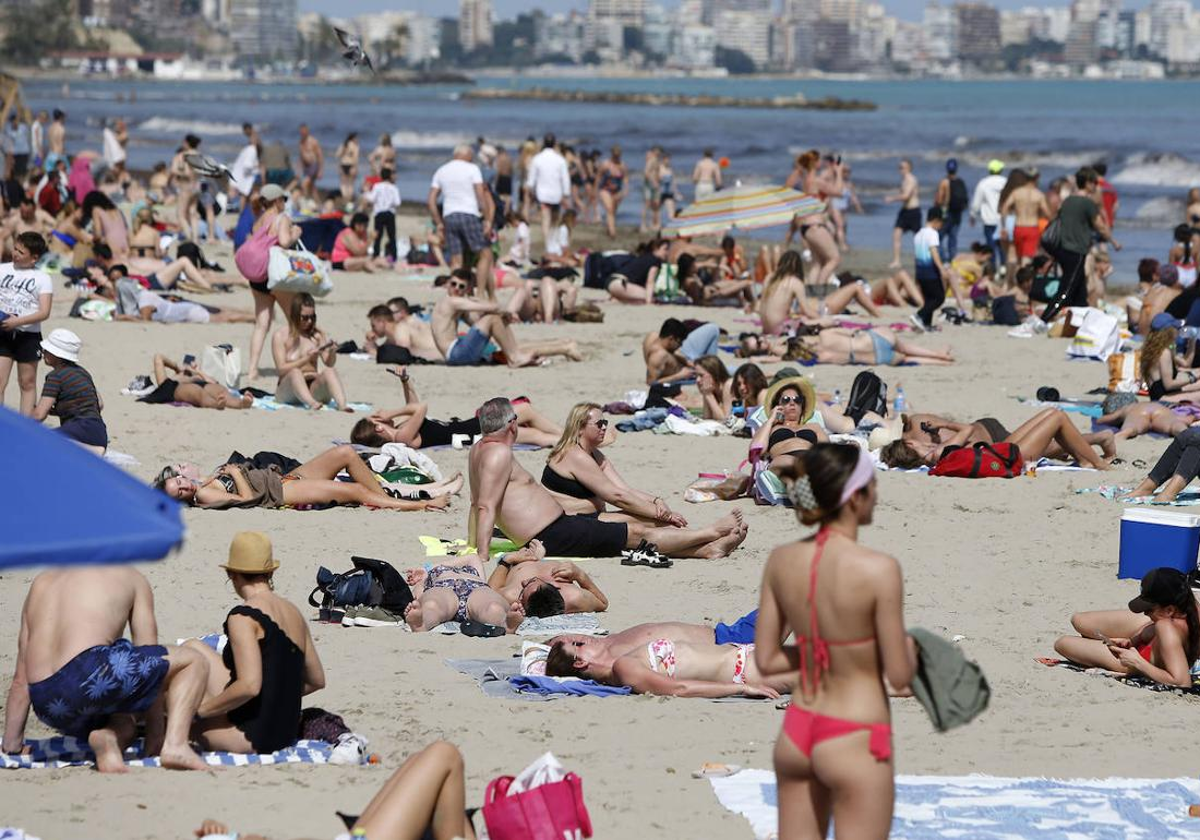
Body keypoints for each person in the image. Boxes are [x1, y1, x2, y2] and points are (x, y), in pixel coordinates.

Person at [754, 442, 916, 839]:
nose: (876, 494)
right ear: (855, 496)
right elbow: (899, 676)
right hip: (854, 733)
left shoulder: (781, 559)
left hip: (798, 732)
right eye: (872, 486)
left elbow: (768, 661)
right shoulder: (879, 569)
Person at [468, 397, 747, 561]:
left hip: (560, 526)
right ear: (512, 424)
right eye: (599, 423)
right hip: (551, 532)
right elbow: (485, 506)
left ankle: (708, 549)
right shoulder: (502, 454)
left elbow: (476, 502)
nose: (604, 427)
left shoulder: (480, 450)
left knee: (642, 526)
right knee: (637, 533)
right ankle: (710, 534)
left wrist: (658, 504)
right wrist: (480, 555)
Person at [2, 566, 210, 772]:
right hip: (89, 673)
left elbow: (21, 679)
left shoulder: (42, 581)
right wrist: (155, 735)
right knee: (193, 661)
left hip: (47, 700)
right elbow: (150, 658)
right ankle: (176, 746)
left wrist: (12, 744)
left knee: (123, 718)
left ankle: (109, 739)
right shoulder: (131, 576)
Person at [183, 533, 325, 753]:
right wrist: (278, 697)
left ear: (231, 574)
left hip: (254, 737)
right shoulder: (293, 611)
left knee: (177, 726)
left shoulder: (243, 617)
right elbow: (316, 680)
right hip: (284, 731)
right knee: (193, 648)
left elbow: (249, 686)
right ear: (270, 572)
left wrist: (199, 712)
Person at [154, 444, 454, 511]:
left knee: (346, 453)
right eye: (178, 490)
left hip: (285, 478)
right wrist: (234, 473)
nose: (183, 485)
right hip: (282, 494)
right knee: (353, 492)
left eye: (178, 480)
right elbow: (247, 500)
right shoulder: (204, 496)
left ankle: (389, 497)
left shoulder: (203, 482)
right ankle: (419, 505)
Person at [545, 618, 788, 698]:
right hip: (745, 667)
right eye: (577, 644)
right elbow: (679, 688)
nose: (583, 639)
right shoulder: (623, 667)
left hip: (743, 653)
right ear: (579, 662)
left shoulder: (618, 654)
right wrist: (740, 688)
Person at [543, 403, 692, 527]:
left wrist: (656, 501)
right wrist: (662, 515)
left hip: (590, 519)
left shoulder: (594, 454)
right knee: (656, 523)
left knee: (655, 522)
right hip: (570, 523)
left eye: (605, 423)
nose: (604, 428)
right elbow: (617, 497)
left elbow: (623, 489)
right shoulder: (575, 455)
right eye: (599, 424)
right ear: (580, 427)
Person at [351, 365, 563, 449]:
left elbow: (413, 406)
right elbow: (421, 407)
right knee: (524, 410)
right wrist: (392, 412)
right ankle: (568, 437)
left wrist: (405, 381)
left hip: (472, 430)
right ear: (378, 427)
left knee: (533, 433)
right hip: (476, 431)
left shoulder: (403, 432)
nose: (379, 414)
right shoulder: (402, 438)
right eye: (375, 417)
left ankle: (566, 440)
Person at [1054, 567, 1198, 689]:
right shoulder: (1190, 605)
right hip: (1148, 637)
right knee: (1079, 620)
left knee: (1063, 643)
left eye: (1149, 609)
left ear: (1169, 610)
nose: (1145, 613)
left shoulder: (1167, 628)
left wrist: (1137, 662)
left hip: (1138, 659)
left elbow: (1182, 682)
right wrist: (1133, 640)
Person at [431, 269, 581, 367]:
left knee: (509, 341)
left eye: (461, 286)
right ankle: (515, 358)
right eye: (453, 284)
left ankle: (564, 347)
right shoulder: (451, 301)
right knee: (493, 320)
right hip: (456, 354)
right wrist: (507, 313)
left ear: (468, 289)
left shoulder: (458, 303)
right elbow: (493, 308)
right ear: (447, 284)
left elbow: (476, 323)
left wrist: (501, 320)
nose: (456, 288)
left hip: (458, 351)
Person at [880, 407, 1111, 471]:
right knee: (1057, 417)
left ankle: (1087, 460)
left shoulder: (934, 456)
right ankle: (1098, 464)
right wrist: (944, 425)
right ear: (909, 444)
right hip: (1010, 457)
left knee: (1053, 414)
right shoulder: (937, 454)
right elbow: (967, 430)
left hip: (1001, 451)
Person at [236, 183, 302, 379]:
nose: (285, 203)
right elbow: (283, 241)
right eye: (284, 199)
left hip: (256, 277)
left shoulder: (259, 219)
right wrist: (295, 233)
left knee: (261, 324)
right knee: (294, 321)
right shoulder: (282, 218)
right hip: (273, 275)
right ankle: (292, 359)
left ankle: (252, 369)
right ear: (277, 200)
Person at [1040, 167, 1120, 324]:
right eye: (1094, 183)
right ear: (1088, 183)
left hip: (1062, 247)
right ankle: (1045, 318)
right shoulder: (1087, 203)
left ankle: (1082, 320)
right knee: (1067, 289)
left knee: (1079, 289)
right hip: (1075, 250)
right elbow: (1100, 226)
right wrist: (1113, 241)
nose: (1096, 186)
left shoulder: (1068, 200)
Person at [760, 251, 879, 335]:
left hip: (766, 328)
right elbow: (807, 311)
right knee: (856, 288)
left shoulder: (769, 278)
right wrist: (824, 319)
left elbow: (762, 303)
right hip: (784, 327)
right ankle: (879, 315)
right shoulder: (794, 282)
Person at [428, 145, 494, 293]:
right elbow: (480, 196)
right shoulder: (472, 168)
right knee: (485, 254)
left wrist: (438, 222)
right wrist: (487, 219)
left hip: (449, 215)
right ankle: (481, 293)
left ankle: (454, 294)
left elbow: (431, 200)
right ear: (467, 155)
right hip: (469, 214)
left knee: (456, 260)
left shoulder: (442, 170)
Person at [0, 231, 52, 415]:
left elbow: (44, 312)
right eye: (15, 249)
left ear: (34, 258)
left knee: (27, 382)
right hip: (2, 333)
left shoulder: (43, 278)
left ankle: (26, 428)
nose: (15, 254)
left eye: (21, 252)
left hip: (28, 335)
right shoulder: (3, 269)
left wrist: (17, 322)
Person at [31, 328, 107, 454]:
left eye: (47, 350)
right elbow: (99, 404)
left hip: (80, 430)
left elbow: (39, 415)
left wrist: (23, 427)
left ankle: (88, 450)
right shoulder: (83, 372)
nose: (43, 352)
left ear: (56, 354)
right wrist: (59, 409)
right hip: (99, 432)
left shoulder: (55, 376)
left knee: (41, 440)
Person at [401, 555, 524, 633]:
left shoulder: (433, 569)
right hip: (443, 587)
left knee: (493, 607)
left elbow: (473, 557)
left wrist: (427, 568)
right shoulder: (426, 580)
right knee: (432, 605)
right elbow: (418, 596)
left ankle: (506, 624)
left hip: (476, 587)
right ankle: (422, 623)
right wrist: (418, 593)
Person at [487, 540, 609, 618]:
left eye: (524, 588)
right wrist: (580, 575)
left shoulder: (513, 595)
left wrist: (507, 560)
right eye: (531, 581)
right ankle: (539, 556)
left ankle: (533, 555)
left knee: (523, 548)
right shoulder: (574, 597)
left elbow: (488, 592)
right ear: (555, 586)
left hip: (516, 563)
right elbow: (603, 603)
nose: (524, 582)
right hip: (544, 563)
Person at [272, 292, 350, 411]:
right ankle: (312, 403)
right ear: (295, 315)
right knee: (295, 372)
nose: (309, 321)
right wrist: (306, 359)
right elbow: (281, 369)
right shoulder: (280, 336)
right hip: (288, 389)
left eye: (312, 317)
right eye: (305, 317)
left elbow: (328, 363)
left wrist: (332, 352)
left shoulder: (317, 336)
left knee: (329, 371)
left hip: (312, 385)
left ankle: (342, 405)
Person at [748, 376, 827, 479]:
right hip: (783, 460)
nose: (792, 403)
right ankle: (801, 485)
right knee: (790, 464)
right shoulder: (770, 428)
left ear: (802, 406)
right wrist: (771, 420)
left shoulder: (814, 427)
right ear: (778, 405)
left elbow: (827, 450)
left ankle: (801, 486)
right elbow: (757, 450)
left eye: (797, 400)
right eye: (786, 400)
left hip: (809, 459)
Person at [786, 326, 955, 367]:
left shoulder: (822, 359)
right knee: (904, 346)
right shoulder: (824, 334)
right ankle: (938, 354)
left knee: (907, 358)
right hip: (873, 340)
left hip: (877, 359)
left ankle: (940, 362)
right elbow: (851, 331)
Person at [138, 353, 255, 409]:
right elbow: (158, 357)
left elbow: (213, 382)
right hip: (177, 388)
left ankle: (241, 403)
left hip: (203, 383)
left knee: (221, 390)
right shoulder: (168, 381)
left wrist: (198, 371)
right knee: (198, 392)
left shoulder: (197, 375)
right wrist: (177, 368)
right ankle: (216, 404)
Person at [526, 133, 571, 251]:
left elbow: (531, 179)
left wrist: (530, 190)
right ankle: (553, 242)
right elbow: (565, 178)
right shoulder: (560, 159)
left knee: (545, 220)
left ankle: (548, 244)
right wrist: (566, 193)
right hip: (557, 194)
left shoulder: (537, 158)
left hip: (542, 194)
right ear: (555, 143)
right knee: (555, 220)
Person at [643, 317, 721, 384]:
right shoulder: (658, 356)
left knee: (713, 329)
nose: (681, 345)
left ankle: (712, 366)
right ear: (671, 339)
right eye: (680, 342)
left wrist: (686, 361)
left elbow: (670, 352)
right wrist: (680, 376)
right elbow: (651, 383)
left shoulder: (652, 336)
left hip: (685, 361)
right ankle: (713, 369)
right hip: (684, 370)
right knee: (724, 370)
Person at [910, 207, 952, 331]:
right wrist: (941, 269)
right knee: (939, 298)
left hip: (921, 272)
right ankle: (919, 315)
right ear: (935, 220)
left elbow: (915, 256)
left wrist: (916, 276)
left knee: (929, 299)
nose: (942, 225)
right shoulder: (933, 233)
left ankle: (926, 324)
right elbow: (934, 252)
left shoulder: (918, 234)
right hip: (931, 272)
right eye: (941, 222)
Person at [999, 169, 1049, 268]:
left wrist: (1004, 225)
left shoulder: (1016, 193)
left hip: (1018, 227)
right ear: (1037, 177)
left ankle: (1014, 280)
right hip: (1032, 227)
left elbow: (1004, 208)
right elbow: (1047, 213)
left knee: (1016, 256)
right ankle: (1023, 280)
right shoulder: (1038, 195)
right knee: (1027, 258)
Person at [971, 159, 1007, 267]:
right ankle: (1003, 268)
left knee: (990, 247)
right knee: (1002, 246)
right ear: (1000, 169)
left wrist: (973, 214)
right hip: (1002, 220)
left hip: (989, 220)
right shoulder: (1006, 181)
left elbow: (977, 201)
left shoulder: (983, 183)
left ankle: (992, 269)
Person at [885, 159, 920, 269]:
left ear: (909, 168)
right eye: (899, 167)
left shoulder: (911, 179)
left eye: (903, 167)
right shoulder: (904, 180)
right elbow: (902, 194)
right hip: (904, 211)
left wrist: (892, 198)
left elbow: (906, 196)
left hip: (914, 211)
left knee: (918, 238)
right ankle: (897, 261)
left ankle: (919, 259)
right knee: (896, 234)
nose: (900, 170)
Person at [935, 158, 969, 260]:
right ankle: (952, 260)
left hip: (946, 213)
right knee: (953, 238)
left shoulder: (944, 182)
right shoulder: (960, 181)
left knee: (938, 238)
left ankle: (944, 260)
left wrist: (936, 208)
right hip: (957, 214)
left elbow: (940, 200)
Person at [368, 168, 400, 262]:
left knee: (378, 236)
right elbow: (397, 202)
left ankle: (376, 254)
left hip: (379, 213)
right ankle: (394, 255)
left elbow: (372, 198)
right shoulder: (393, 187)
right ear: (390, 176)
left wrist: (366, 192)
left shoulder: (377, 186)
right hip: (390, 213)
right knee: (392, 236)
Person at [596, 146, 628, 239]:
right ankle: (612, 232)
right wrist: (595, 191)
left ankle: (609, 227)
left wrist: (626, 189)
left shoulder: (622, 165)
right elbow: (598, 176)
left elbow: (626, 178)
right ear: (612, 155)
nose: (617, 158)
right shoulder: (606, 164)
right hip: (605, 189)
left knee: (613, 211)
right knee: (609, 209)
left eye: (618, 156)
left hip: (617, 191)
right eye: (615, 156)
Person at [297, 124, 323, 202]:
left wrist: (320, 170)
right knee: (312, 187)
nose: (302, 133)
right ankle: (319, 205)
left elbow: (320, 156)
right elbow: (301, 157)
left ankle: (306, 202)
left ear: (307, 131)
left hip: (313, 166)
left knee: (304, 184)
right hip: (306, 167)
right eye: (301, 131)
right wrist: (299, 170)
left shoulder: (313, 141)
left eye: (304, 131)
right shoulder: (301, 142)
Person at [336, 132, 359, 203]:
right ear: (353, 138)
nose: (358, 140)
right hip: (351, 165)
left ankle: (344, 199)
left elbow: (337, 155)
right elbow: (356, 158)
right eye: (357, 138)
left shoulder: (344, 144)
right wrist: (356, 168)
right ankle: (349, 201)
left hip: (343, 165)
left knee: (343, 184)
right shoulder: (355, 146)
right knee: (350, 184)